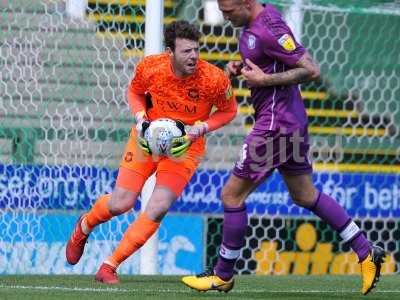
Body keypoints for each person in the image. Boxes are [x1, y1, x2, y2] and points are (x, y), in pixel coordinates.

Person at [181, 0, 385, 296]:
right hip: (290, 123)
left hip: (275, 127)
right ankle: (366, 252)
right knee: (305, 195)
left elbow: (311, 70)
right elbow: (270, 59)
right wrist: (243, 68)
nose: (225, 19)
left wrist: (264, 79)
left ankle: (222, 275)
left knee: (231, 195)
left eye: (228, 12)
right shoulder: (256, 24)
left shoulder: (269, 28)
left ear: (247, 3)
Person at [65, 20, 237, 284]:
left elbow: (229, 110)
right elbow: (134, 92)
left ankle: (109, 266)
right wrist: (141, 119)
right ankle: (84, 226)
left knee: (157, 208)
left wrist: (202, 127)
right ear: (170, 52)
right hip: (147, 140)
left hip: (185, 148)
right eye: (186, 51)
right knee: (121, 203)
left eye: (196, 50)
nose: (193, 56)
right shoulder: (151, 67)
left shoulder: (213, 78)